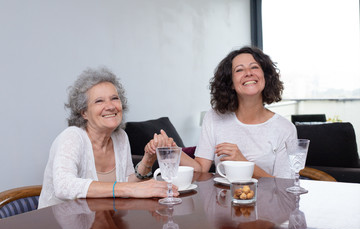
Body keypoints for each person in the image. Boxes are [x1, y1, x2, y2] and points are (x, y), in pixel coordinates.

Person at [147, 46, 297, 179]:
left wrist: (243, 163)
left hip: (267, 209)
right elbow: (200, 169)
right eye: (239, 70)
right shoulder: (214, 118)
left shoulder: (285, 129)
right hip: (223, 205)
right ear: (230, 83)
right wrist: (174, 151)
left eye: (255, 67)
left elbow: (285, 188)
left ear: (266, 76)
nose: (248, 73)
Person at [38, 67, 177, 208]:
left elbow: (129, 184)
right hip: (57, 225)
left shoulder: (120, 137)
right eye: (99, 101)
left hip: (105, 222)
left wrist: (148, 159)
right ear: (84, 113)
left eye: (114, 98)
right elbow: (64, 186)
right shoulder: (72, 137)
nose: (110, 106)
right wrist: (128, 189)